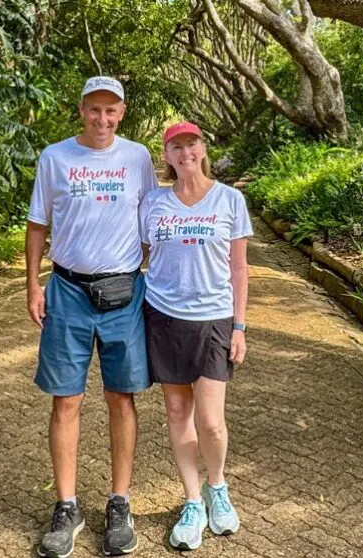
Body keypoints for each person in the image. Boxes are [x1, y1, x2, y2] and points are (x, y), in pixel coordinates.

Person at [26, 76, 158, 558]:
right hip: (67, 292)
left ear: (122, 112)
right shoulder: (55, 157)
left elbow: (150, 219)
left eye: (112, 111)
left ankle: (118, 502)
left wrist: (153, 278)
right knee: (66, 401)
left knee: (121, 398)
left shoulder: (138, 157)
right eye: (94, 110)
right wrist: (31, 283)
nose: (102, 119)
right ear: (81, 109)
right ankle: (66, 506)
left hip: (125, 293)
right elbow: (38, 222)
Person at [139, 122, 251, 551]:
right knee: (176, 412)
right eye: (176, 146)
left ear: (203, 148)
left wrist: (239, 326)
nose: (185, 152)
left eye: (191, 144)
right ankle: (191, 500)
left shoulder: (229, 199)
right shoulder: (154, 202)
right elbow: (141, 254)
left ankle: (217, 488)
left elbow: (239, 269)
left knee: (211, 421)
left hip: (215, 319)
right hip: (164, 317)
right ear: (166, 156)